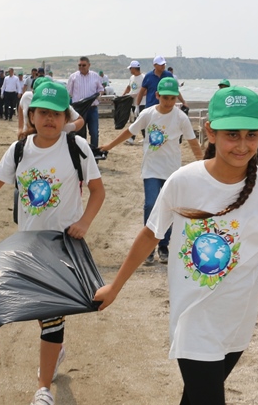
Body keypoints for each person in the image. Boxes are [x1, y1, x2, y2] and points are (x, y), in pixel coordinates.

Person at [93, 85, 258, 405]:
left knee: (199, 398)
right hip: (193, 319)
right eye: (232, 135)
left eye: (251, 134)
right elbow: (150, 234)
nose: (242, 145)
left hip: (238, 323)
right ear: (209, 132)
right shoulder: (184, 181)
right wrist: (116, 285)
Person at [0, 81, 105, 405]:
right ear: (31, 115)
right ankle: (54, 354)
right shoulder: (19, 151)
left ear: (66, 117)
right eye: (43, 113)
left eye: (56, 114)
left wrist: (85, 223)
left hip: (64, 245)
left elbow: (97, 192)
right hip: (29, 245)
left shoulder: (77, 147)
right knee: (43, 312)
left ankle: (43, 390)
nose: (49, 120)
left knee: (50, 316)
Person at [100, 76, 203, 264]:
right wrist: (109, 145)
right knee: (150, 205)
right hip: (151, 169)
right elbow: (129, 131)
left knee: (170, 208)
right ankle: (148, 247)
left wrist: (204, 165)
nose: (169, 102)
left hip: (172, 171)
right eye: (165, 98)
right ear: (157, 95)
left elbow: (193, 143)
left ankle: (163, 246)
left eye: (173, 98)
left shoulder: (181, 117)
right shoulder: (148, 114)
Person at [17, 77, 85, 139]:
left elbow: (80, 120)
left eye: (56, 113)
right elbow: (20, 106)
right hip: (28, 137)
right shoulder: (27, 97)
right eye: (43, 112)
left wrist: (66, 128)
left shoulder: (59, 104)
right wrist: (20, 128)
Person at [66, 56, 105, 148]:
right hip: (79, 110)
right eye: (79, 65)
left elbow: (101, 89)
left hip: (92, 108)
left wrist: (99, 95)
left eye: (84, 65)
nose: (81, 67)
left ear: (89, 65)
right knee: (79, 132)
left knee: (94, 132)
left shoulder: (95, 76)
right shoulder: (73, 77)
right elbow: (69, 93)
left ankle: (94, 152)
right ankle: (81, 152)